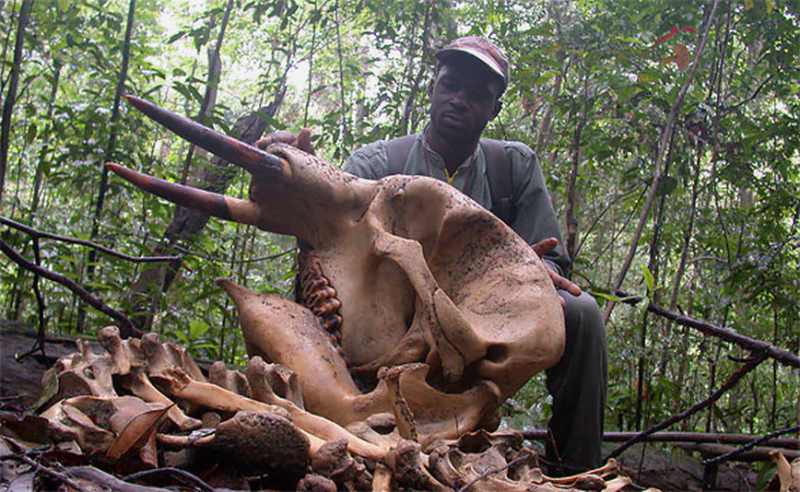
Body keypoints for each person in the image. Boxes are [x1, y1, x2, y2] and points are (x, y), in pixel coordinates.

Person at [259, 36, 607, 476]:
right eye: (451, 85)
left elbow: (553, 261)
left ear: (494, 108)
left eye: (477, 94)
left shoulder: (513, 169)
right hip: (389, 316)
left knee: (582, 313)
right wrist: (299, 185)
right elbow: (324, 243)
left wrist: (536, 275)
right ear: (433, 88)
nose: (459, 100)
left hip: (485, 316)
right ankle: (334, 427)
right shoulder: (376, 163)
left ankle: (575, 469)